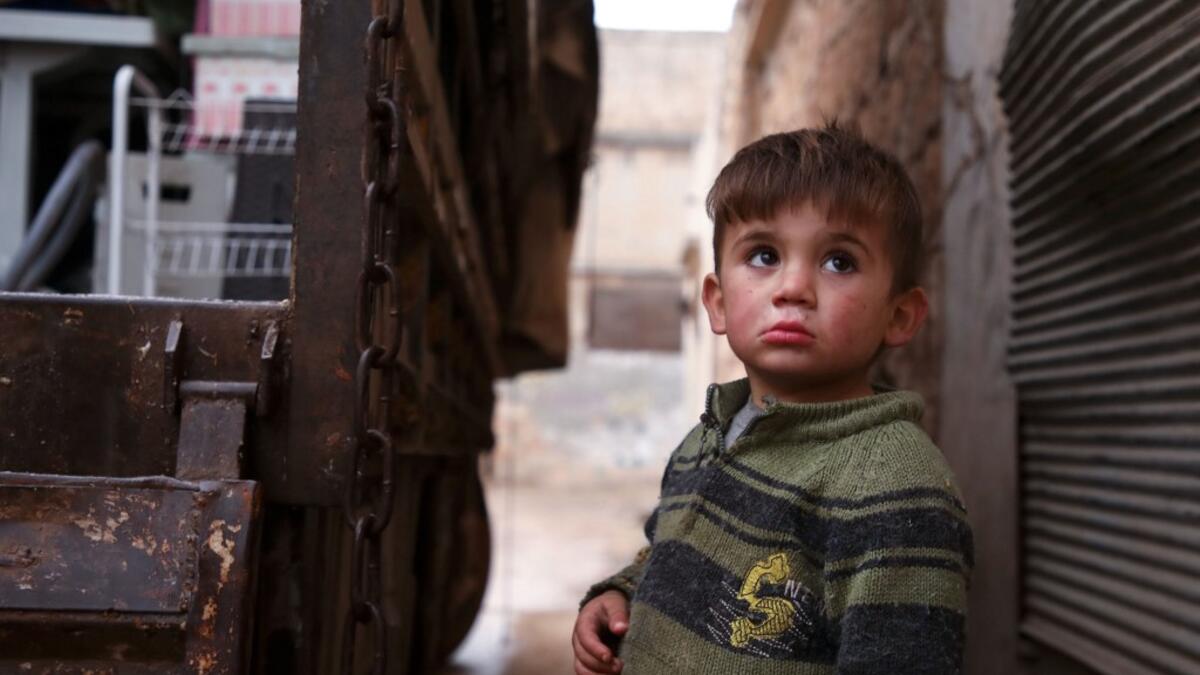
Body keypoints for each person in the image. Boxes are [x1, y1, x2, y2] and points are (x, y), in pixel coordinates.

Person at [571, 124, 973, 674]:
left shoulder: (893, 484)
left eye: (839, 262)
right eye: (763, 255)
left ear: (899, 315)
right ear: (717, 303)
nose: (793, 288)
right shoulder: (705, 439)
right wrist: (619, 595)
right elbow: (664, 554)